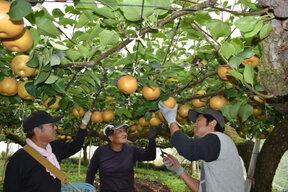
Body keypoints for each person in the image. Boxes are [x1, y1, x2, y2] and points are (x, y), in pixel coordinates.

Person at [158, 101, 245, 192]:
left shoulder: (218, 138)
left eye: (198, 120)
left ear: (212, 123)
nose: (194, 124)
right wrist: (179, 170)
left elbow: (188, 149)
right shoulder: (217, 145)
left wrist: (171, 121)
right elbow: (202, 189)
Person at [3, 110, 92, 192]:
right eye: (52, 125)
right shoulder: (19, 159)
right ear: (37, 131)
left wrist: (84, 124)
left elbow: (75, 146)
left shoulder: (54, 148)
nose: (56, 128)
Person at [85, 122, 161, 192]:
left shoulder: (131, 149)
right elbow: (91, 173)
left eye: (124, 131)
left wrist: (152, 138)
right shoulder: (100, 152)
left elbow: (150, 156)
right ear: (111, 137)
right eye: (120, 131)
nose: (124, 134)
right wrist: (88, 189)